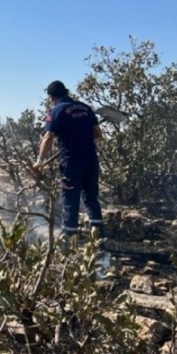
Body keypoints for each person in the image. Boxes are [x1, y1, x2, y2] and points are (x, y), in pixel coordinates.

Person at [34, 80, 105, 241]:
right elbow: (98, 134)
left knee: (70, 201)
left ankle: (68, 244)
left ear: (52, 97)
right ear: (66, 92)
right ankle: (99, 242)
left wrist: (40, 160)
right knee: (91, 199)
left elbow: (48, 137)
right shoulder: (86, 108)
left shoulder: (57, 110)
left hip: (72, 162)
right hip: (91, 160)